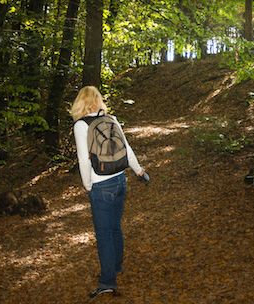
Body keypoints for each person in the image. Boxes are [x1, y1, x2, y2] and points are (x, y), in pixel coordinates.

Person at [70, 85, 146, 298]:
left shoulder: (81, 125)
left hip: (101, 185)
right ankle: (116, 267)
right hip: (121, 181)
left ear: (80, 102)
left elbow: (83, 160)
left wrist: (87, 185)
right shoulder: (111, 119)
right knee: (114, 228)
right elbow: (127, 148)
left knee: (104, 235)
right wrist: (138, 170)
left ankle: (107, 282)